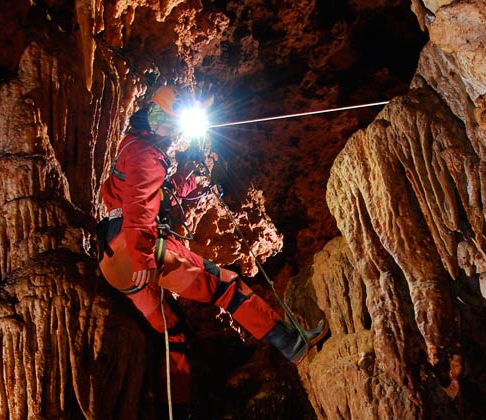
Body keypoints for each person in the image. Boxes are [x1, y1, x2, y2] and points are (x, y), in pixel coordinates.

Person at [96, 85, 325, 416]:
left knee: (171, 335)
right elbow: (138, 209)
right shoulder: (147, 155)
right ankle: (293, 344)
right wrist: (144, 255)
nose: (174, 135)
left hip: (114, 264)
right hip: (137, 251)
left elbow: (147, 196)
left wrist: (186, 184)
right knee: (226, 286)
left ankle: (176, 411)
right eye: (172, 126)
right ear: (158, 118)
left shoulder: (132, 147)